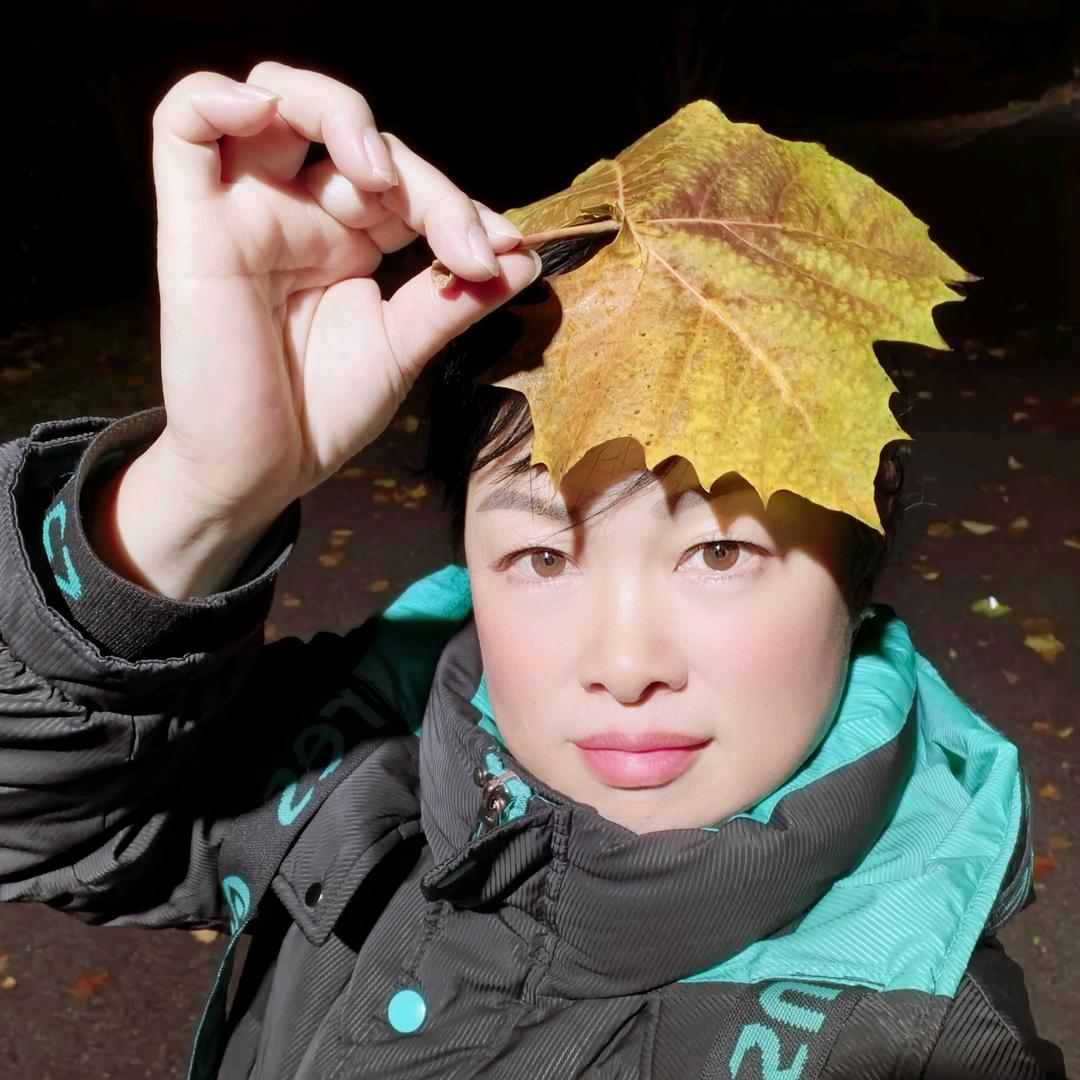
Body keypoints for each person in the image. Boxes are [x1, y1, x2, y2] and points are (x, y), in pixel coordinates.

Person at [0, 61, 1068, 1080]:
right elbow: (53, 825)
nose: (624, 663)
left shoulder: (912, 1047)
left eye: (720, 549)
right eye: (544, 552)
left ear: (859, 562)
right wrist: (200, 493)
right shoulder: (356, 766)